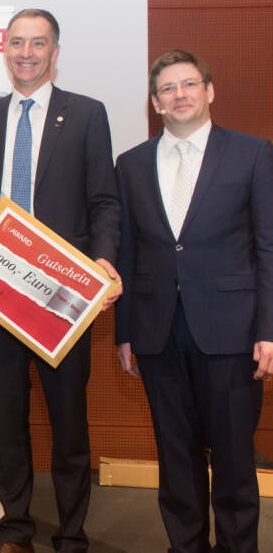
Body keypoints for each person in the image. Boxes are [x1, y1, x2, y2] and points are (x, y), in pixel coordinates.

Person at [0, 9, 121, 553]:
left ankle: (71, 535)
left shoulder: (88, 114)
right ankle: (15, 531)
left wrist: (106, 260)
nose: (26, 52)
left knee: (69, 425)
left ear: (54, 50)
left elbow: (104, 202)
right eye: (17, 42)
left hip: (62, 296)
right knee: (7, 421)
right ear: (5, 49)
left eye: (37, 43)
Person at [114, 49, 273, 553]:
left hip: (231, 331)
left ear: (209, 91)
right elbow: (128, 251)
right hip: (158, 333)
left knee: (232, 462)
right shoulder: (132, 164)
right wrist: (125, 331)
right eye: (167, 89)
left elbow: (268, 245)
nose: (178, 95)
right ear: (155, 103)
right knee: (175, 460)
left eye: (188, 84)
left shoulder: (253, 153)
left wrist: (269, 328)